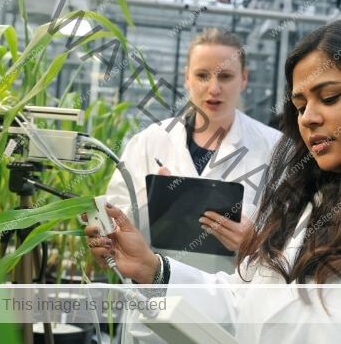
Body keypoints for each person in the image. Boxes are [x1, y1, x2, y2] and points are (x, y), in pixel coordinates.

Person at [87, 19, 341, 343]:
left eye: (330, 97)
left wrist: (249, 240)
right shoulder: (308, 209)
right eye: (300, 104)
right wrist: (154, 268)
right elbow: (246, 304)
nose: (308, 118)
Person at [106, 27, 281, 272]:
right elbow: (112, 223)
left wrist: (258, 242)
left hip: (231, 300)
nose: (214, 88)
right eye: (202, 75)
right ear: (187, 77)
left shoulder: (275, 148)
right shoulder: (147, 143)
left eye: (226, 77)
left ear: (243, 79)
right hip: (155, 294)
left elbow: (296, 237)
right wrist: (150, 200)